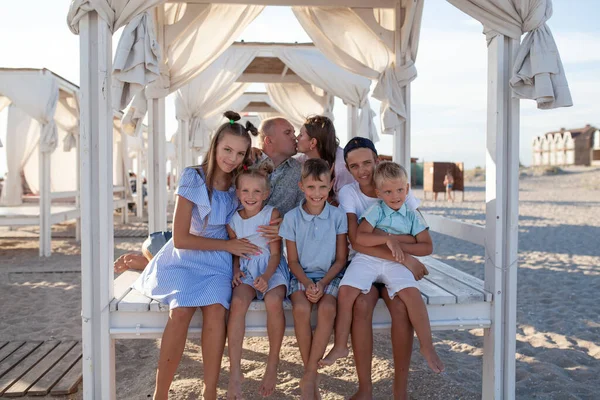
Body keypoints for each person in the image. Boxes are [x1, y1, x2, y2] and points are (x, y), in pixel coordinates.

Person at [132, 111, 262, 400]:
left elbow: (254, 207)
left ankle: (210, 391)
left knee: (216, 310)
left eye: (240, 153)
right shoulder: (193, 177)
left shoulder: (240, 184)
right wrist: (228, 247)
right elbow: (179, 239)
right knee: (180, 311)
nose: (232, 158)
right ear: (215, 145)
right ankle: (161, 393)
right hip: (183, 256)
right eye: (227, 149)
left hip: (217, 263)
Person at [113, 116, 303, 273]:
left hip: (250, 247)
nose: (295, 137)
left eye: (238, 153)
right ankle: (153, 261)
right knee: (154, 243)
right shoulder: (246, 166)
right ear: (269, 140)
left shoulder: (299, 170)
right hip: (219, 240)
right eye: (288, 133)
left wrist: (286, 225)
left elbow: (307, 211)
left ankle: (152, 263)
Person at [324, 137, 428, 399]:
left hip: (397, 268)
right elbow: (355, 240)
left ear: (378, 160)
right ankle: (365, 388)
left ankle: (400, 391)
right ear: (347, 168)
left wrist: (394, 247)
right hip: (366, 265)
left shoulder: (398, 187)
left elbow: (422, 238)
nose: (362, 170)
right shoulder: (350, 193)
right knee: (360, 304)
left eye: (367, 163)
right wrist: (404, 255)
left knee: (402, 307)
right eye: (354, 166)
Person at [279, 158, 348, 400]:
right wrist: (309, 284)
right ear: (301, 187)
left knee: (328, 308)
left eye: (322, 187)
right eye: (311, 187)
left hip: (330, 275)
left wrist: (323, 284)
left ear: (330, 186)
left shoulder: (338, 216)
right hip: (302, 275)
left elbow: (341, 259)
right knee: (300, 308)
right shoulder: (291, 219)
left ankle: (309, 375)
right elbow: (293, 261)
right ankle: (311, 380)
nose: (316, 193)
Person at [225, 160, 289, 399]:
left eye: (256, 191)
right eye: (245, 191)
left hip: (271, 268)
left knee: (274, 301)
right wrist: (235, 271)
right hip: (247, 268)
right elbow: (236, 252)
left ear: (266, 193)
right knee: (238, 303)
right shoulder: (233, 221)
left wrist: (266, 276)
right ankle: (235, 371)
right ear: (238, 192)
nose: (250, 196)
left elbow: (275, 252)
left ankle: (272, 364)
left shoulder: (271, 214)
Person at [295, 115, 355, 201]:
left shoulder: (342, 165)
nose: (296, 138)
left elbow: (346, 203)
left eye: (301, 135)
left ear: (312, 143)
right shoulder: (303, 159)